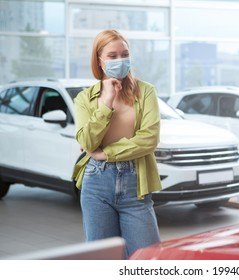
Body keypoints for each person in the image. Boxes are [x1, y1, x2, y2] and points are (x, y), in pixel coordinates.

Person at [72, 29, 161, 258]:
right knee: (104, 260)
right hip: (96, 184)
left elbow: (149, 138)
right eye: (112, 56)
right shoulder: (84, 99)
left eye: (125, 54)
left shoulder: (146, 91)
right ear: (99, 61)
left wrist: (106, 153)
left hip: (135, 183)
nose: (120, 60)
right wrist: (107, 102)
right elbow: (87, 141)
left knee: (148, 259)